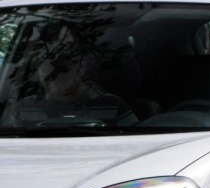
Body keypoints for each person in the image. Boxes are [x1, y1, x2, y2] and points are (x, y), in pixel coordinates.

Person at [5, 45, 136, 127]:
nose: (54, 78)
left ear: (81, 68)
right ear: (39, 72)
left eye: (62, 71)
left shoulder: (112, 105)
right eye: (48, 77)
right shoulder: (24, 108)